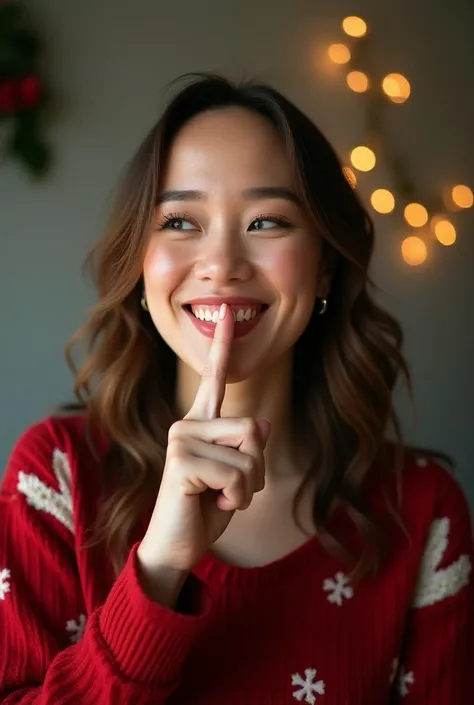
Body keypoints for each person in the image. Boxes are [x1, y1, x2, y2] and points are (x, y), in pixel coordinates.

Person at [0, 73, 472, 704]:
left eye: (268, 221)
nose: (221, 262)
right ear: (140, 264)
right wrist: (160, 567)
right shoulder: (55, 477)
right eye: (180, 220)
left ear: (325, 260)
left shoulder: (423, 511)